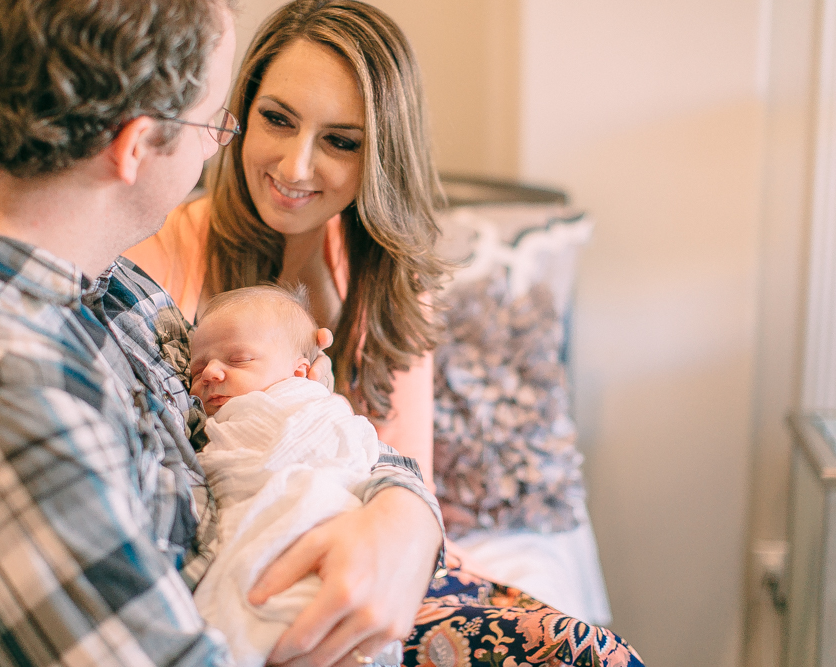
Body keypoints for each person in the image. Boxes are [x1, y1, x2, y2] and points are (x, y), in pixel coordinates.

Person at [0, 0, 447, 664]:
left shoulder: (113, 287)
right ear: (136, 144)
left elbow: (284, 426)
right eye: (217, 120)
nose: (223, 141)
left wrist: (406, 517)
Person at [125, 1, 646, 664]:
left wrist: (399, 538)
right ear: (241, 112)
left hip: (373, 563)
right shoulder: (159, 254)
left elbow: (406, 480)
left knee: (589, 651)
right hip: (236, 575)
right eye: (276, 119)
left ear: (380, 155)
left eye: (340, 141)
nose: (294, 166)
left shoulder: (393, 286)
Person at [189, 285, 401, 667]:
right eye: (197, 368)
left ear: (300, 373)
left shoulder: (310, 409)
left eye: (237, 360)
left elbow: (354, 450)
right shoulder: (212, 427)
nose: (211, 373)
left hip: (329, 535)